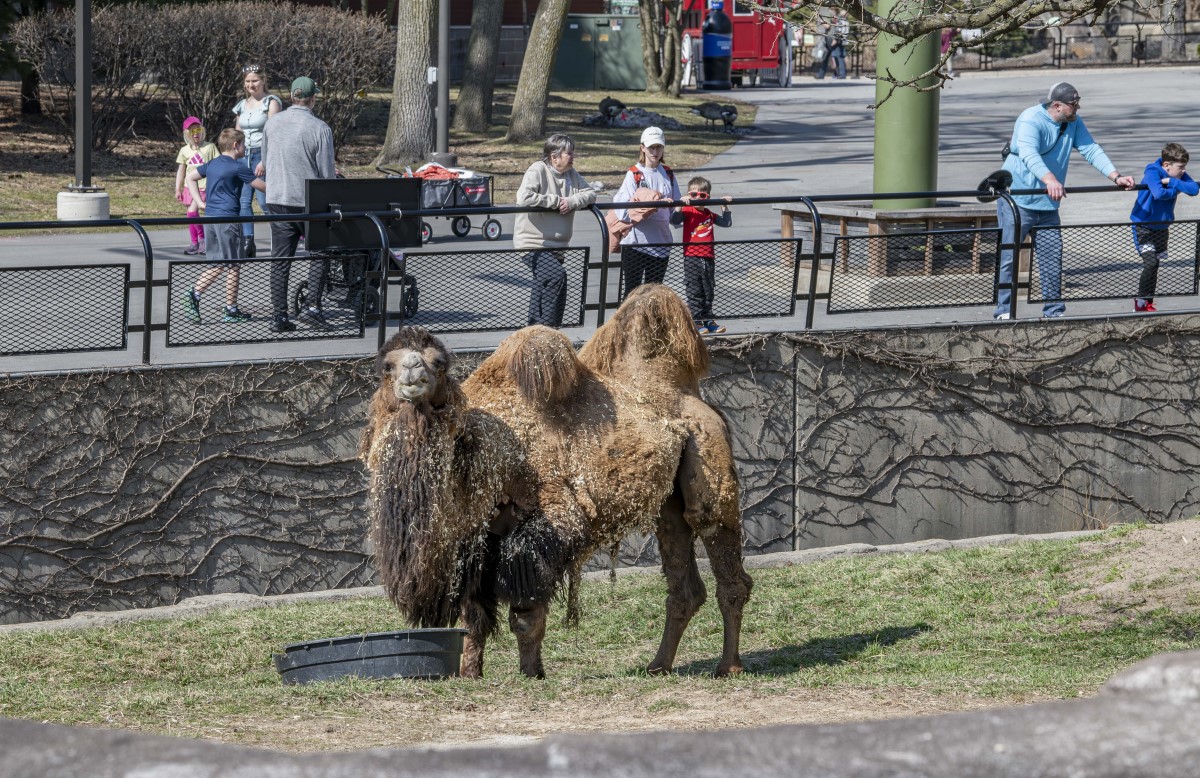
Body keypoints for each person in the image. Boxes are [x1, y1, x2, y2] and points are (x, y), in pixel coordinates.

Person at [993, 82, 1135, 320]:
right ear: (1057, 105)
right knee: (1009, 257)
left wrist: (1116, 176)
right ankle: (1004, 311)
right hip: (1017, 201)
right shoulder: (1030, 119)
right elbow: (1029, 154)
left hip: (1048, 204)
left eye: (1078, 103)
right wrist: (1050, 179)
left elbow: (1091, 149)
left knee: (1052, 258)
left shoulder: (1073, 122)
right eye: (1074, 104)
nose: (1077, 107)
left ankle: (1054, 311)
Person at [261, 76, 336, 333]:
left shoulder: (272, 125)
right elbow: (326, 175)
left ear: (293, 96)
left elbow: (266, 160)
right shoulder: (319, 128)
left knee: (280, 260)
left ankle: (278, 316)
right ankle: (312, 307)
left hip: (277, 197)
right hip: (308, 200)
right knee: (320, 253)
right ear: (313, 98)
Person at [181, 128, 266, 324]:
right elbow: (260, 186)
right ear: (236, 146)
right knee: (233, 264)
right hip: (228, 219)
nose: (245, 147)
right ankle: (226, 307)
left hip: (210, 217)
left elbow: (190, 177)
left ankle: (199, 296)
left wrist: (201, 203)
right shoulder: (238, 167)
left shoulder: (212, 164)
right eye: (243, 144)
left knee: (219, 263)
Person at [514, 133, 597, 327]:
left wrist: (572, 201)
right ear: (554, 156)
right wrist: (556, 202)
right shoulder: (537, 169)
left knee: (542, 286)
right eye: (569, 153)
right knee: (557, 276)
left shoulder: (571, 174)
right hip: (533, 243)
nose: (573, 156)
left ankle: (534, 330)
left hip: (558, 245)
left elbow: (591, 193)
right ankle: (550, 330)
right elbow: (524, 197)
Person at [1128, 142, 1198, 312]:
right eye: (1180, 167)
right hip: (1144, 226)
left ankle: (1148, 301)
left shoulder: (1176, 175)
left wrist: (1171, 181)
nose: (1183, 171)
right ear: (1166, 165)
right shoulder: (1152, 171)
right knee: (1150, 262)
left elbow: (1194, 189)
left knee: (1156, 264)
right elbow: (1159, 193)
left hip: (1162, 227)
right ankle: (1140, 302)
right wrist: (1177, 187)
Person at [613, 126, 680, 299]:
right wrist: (650, 204)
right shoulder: (634, 174)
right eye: (651, 147)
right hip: (636, 243)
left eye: (659, 147)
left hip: (661, 243)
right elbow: (622, 210)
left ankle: (650, 327)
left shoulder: (668, 174)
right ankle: (628, 326)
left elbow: (675, 210)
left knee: (654, 295)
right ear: (642, 147)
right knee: (632, 294)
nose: (655, 151)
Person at [670, 175, 732, 335]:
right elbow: (674, 220)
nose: (698, 198)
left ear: (708, 197)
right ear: (689, 195)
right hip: (691, 256)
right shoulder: (688, 211)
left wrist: (724, 206)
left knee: (709, 288)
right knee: (694, 289)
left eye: (702, 196)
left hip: (708, 257)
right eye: (693, 195)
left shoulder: (709, 214)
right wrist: (679, 205)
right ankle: (696, 320)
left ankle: (708, 319)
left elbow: (727, 223)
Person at [232, 64, 282, 258]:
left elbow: (273, 133)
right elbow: (237, 132)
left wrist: (265, 161)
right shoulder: (242, 105)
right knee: (244, 201)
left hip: (262, 154)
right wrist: (234, 155)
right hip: (244, 154)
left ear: (263, 81)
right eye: (247, 81)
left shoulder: (271, 102)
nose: (251, 85)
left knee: (264, 200)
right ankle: (247, 241)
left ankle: (280, 236)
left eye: (255, 81)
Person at [174, 116, 218, 255]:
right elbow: (181, 170)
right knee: (190, 215)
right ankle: (195, 242)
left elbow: (218, 165)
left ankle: (203, 240)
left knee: (193, 212)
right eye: (192, 131)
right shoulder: (184, 151)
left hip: (203, 187)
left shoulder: (210, 147)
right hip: (188, 187)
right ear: (186, 134)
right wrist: (178, 188)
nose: (196, 133)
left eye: (198, 129)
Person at [815, 11, 848, 80]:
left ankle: (841, 74)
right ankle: (822, 74)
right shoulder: (837, 19)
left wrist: (835, 40)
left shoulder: (839, 21)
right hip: (830, 41)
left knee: (838, 58)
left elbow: (835, 29)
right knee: (827, 58)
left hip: (834, 41)